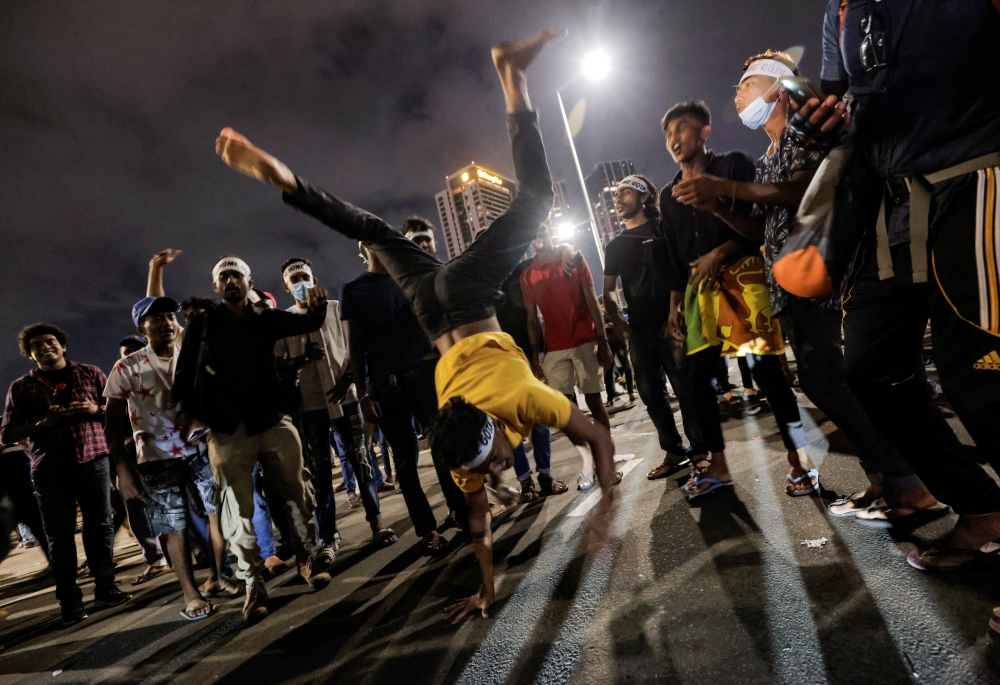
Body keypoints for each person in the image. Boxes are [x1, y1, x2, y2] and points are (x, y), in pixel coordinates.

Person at [214, 28, 619, 623]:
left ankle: (513, 76)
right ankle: (286, 181)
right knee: (376, 232)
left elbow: (600, 439)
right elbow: (478, 527)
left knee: (531, 200)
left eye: (492, 467)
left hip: (459, 300)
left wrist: (608, 508)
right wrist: (486, 589)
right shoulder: (462, 450)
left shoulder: (521, 399)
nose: (495, 473)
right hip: (432, 301)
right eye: (490, 471)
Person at [673, 51, 939, 521]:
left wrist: (723, 188)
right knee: (826, 383)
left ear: (777, 89)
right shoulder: (767, 156)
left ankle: (908, 484)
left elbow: (803, 190)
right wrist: (715, 205)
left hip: (824, 278)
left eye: (745, 84)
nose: (737, 93)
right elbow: (758, 231)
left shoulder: (804, 132)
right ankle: (883, 479)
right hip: (789, 288)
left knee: (837, 382)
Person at [792, 1, 1000, 588]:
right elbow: (841, 103)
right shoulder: (840, 8)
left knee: (982, 377)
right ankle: (983, 511)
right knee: (870, 369)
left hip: (976, 173)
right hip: (889, 200)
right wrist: (817, 122)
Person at [661, 101, 817, 497]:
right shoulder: (667, 195)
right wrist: (675, 305)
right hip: (699, 290)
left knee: (767, 373)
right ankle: (718, 466)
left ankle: (800, 459)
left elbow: (758, 228)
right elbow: (675, 256)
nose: (674, 139)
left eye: (681, 128)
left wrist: (720, 247)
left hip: (744, 277)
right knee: (697, 381)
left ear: (704, 132)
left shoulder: (733, 165)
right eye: (668, 134)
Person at [172, 256, 332, 623]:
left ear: (249, 281)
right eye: (223, 276)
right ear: (216, 286)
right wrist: (187, 409)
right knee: (238, 512)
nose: (230, 280)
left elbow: (306, 321)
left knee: (297, 491)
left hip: (272, 419)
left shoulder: (265, 318)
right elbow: (184, 371)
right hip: (228, 429)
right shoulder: (203, 323)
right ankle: (253, 584)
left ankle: (307, 558)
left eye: (236, 275)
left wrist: (317, 305)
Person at [105, 296, 240, 621]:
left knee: (215, 514)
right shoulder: (127, 366)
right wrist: (122, 469)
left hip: (199, 450)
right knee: (173, 526)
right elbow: (110, 424)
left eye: (169, 316)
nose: (166, 322)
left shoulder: (191, 356)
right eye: (156, 318)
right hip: (155, 459)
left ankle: (219, 576)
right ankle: (191, 596)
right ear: (141, 328)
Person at [1, 324, 130, 626]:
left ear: (63, 346)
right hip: (50, 468)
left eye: (50, 342)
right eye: (37, 345)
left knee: (100, 525)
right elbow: (7, 432)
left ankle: (106, 587)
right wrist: (42, 423)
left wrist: (94, 408)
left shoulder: (91, 373)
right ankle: (70, 602)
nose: (45, 347)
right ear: (30, 354)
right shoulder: (21, 387)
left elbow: (116, 411)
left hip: (94, 459)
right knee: (59, 536)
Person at [341, 243, 465, 552]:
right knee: (405, 460)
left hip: (423, 377)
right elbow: (355, 349)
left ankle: (460, 513)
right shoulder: (353, 290)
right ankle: (428, 532)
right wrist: (363, 395)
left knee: (442, 449)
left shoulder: (408, 279)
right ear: (363, 248)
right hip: (384, 386)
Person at [275, 257, 398, 553]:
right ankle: (328, 536)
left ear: (314, 280)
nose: (301, 283)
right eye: (295, 280)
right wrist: (300, 361)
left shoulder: (336, 309)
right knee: (319, 472)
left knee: (362, 459)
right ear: (286, 287)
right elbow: (278, 364)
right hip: (311, 405)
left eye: (305, 276)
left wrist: (349, 379)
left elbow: (356, 347)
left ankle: (377, 522)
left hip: (347, 397)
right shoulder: (286, 320)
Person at [603, 174, 701, 479]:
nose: (618, 198)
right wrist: (617, 317)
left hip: (673, 322)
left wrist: (678, 311)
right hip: (640, 329)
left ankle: (700, 452)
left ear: (645, 197)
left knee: (686, 389)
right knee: (649, 392)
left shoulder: (662, 229)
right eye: (616, 194)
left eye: (625, 192)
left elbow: (682, 269)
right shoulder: (615, 245)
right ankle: (674, 451)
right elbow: (607, 290)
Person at [521, 224, 613, 490]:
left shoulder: (573, 258)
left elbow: (592, 301)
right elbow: (531, 319)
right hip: (554, 347)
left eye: (544, 230)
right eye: (535, 233)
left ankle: (605, 461)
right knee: (565, 412)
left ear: (551, 231)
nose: (540, 236)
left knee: (595, 401)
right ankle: (590, 460)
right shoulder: (527, 274)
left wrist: (603, 341)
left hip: (585, 339)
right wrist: (536, 357)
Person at [497, 257, 569, 500]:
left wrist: (540, 353)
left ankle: (545, 475)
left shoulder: (522, 270)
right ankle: (525, 481)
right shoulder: (479, 283)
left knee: (539, 417)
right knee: (510, 423)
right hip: (499, 361)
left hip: (529, 353)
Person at [110, 334, 170, 585]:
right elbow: (111, 426)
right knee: (135, 509)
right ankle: (156, 559)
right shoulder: (116, 385)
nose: (131, 355)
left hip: (160, 452)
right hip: (130, 457)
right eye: (126, 351)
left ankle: (190, 551)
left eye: (136, 350)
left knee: (169, 505)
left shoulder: (160, 378)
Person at [0, 441, 50, 563]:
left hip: (18, 501)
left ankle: (57, 565)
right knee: (42, 533)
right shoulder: (13, 450)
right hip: (23, 500)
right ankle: (56, 565)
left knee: (42, 533)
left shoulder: (10, 451)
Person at [598, 296, 634, 407]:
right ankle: (610, 397)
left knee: (626, 366)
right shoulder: (599, 314)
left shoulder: (615, 311)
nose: (604, 308)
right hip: (608, 343)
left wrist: (614, 325)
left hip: (619, 341)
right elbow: (596, 327)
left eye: (605, 305)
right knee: (608, 370)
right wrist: (604, 327)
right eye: (602, 306)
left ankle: (631, 391)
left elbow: (622, 322)